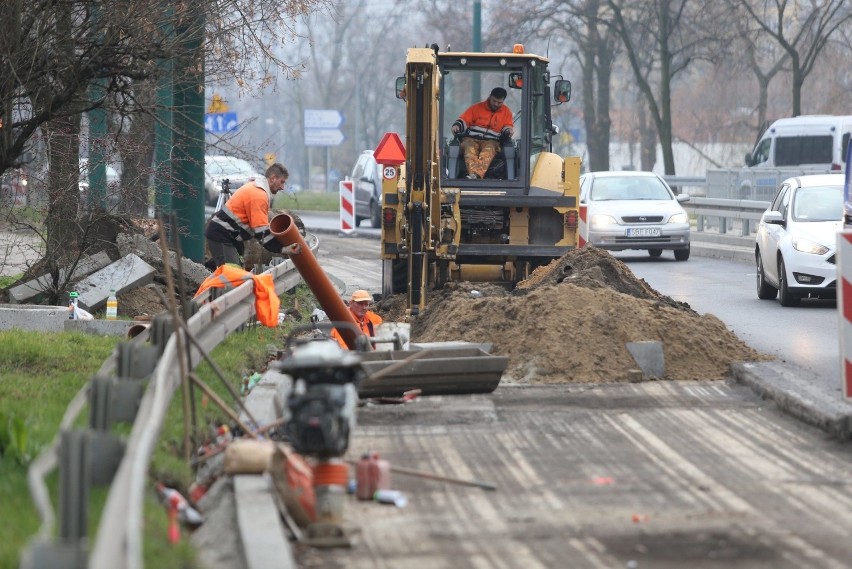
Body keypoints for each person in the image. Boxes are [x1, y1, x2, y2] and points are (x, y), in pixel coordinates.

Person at [205, 162, 289, 268]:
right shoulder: (258, 195)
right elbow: (261, 232)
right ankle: (209, 277)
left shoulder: (255, 187)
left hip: (229, 236)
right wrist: (283, 248)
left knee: (232, 270)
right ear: (273, 178)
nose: (282, 187)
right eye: (282, 182)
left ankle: (209, 273)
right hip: (222, 235)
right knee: (232, 274)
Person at [451, 87, 514, 179]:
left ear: (503, 101)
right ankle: (474, 174)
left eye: (499, 102)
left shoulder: (506, 112)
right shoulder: (476, 108)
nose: (496, 104)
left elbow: (507, 125)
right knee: (469, 149)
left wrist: (508, 130)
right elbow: (464, 120)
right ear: (489, 97)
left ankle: (475, 175)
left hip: (492, 141)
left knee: (488, 151)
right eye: (494, 101)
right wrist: (457, 125)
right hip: (471, 139)